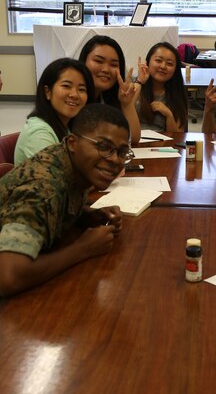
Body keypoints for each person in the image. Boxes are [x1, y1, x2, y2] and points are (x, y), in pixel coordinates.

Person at [0, 104, 132, 297]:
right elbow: (9, 276)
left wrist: (86, 215)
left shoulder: (71, 163)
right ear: (72, 142)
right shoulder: (44, 187)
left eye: (122, 152)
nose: (115, 160)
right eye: (104, 147)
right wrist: (83, 249)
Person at [14, 57, 93, 165]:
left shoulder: (69, 127)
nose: (74, 94)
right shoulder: (39, 133)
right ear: (47, 92)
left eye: (81, 89)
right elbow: (55, 177)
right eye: (66, 86)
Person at [78, 35, 141, 143]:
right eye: (98, 61)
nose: (106, 70)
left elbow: (133, 139)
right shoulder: (74, 97)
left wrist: (127, 104)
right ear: (83, 61)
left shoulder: (107, 98)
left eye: (113, 64)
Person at [134, 42, 188, 134]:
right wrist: (140, 82)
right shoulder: (136, 85)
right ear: (148, 62)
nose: (163, 66)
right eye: (158, 61)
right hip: (134, 142)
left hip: (163, 145)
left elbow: (178, 136)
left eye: (169, 64)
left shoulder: (177, 94)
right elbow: (124, 112)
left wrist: (169, 115)